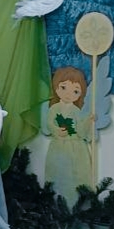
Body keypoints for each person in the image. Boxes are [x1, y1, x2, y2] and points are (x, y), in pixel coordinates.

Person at [45, 65, 91, 206]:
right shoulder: (54, 109)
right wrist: (56, 130)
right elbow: (50, 123)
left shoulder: (76, 111)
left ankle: (77, 204)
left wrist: (89, 120)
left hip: (76, 148)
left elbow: (81, 130)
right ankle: (56, 203)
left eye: (75, 91)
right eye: (64, 88)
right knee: (58, 173)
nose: (68, 94)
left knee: (76, 175)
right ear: (56, 87)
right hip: (59, 147)